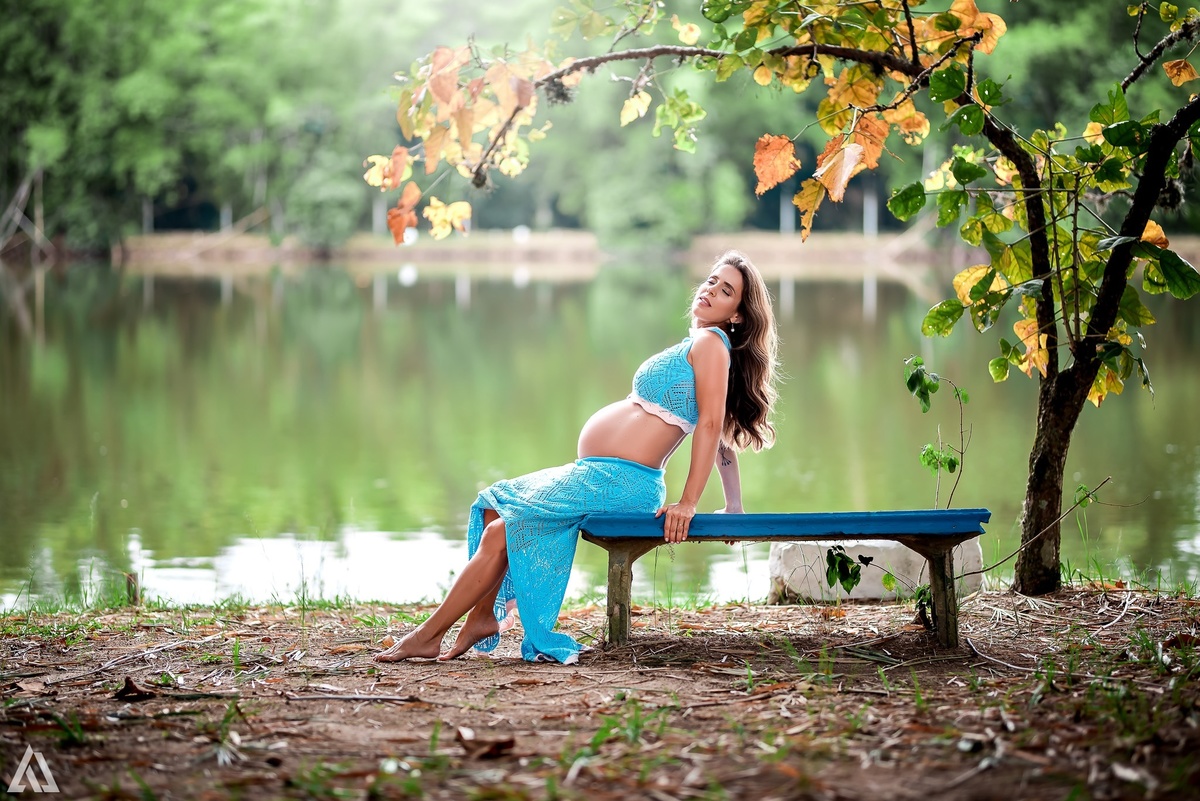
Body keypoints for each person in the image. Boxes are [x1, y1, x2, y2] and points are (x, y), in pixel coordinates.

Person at [376, 250, 779, 664]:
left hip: (622, 482)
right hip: (597, 473)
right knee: (497, 512)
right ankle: (480, 617)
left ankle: (428, 636)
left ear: (738, 316)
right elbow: (726, 431)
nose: (712, 289)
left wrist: (690, 501)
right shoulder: (698, 343)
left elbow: (712, 426)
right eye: (712, 280)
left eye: (726, 290)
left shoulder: (713, 345)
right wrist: (733, 503)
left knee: (501, 526)